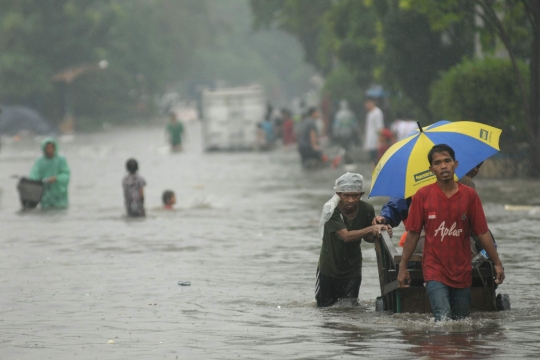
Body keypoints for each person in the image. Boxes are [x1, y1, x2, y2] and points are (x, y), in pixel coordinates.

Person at [397, 144, 505, 321]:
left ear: (456, 164)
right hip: (434, 269)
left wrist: (497, 263)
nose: (443, 166)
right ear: (431, 169)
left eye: (447, 161)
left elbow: (482, 232)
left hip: (462, 269)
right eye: (438, 163)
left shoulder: (470, 196)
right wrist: (403, 267)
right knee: (443, 318)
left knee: (462, 321)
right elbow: (413, 233)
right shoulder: (422, 196)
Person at [315, 172, 392, 307]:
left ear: (361, 194)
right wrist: (370, 229)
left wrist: (380, 230)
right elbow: (346, 236)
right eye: (346, 195)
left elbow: (368, 237)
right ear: (339, 195)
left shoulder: (366, 209)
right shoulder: (332, 211)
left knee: (349, 307)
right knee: (325, 310)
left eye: (355, 195)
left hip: (353, 268)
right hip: (329, 268)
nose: (351, 200)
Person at [28, 138, 70, 209]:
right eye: (47, 148)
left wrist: (57, 178)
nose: (49, 150)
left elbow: (66, 174)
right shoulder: (40, 161)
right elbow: (33, 174)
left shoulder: (61, 160)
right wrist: (37, 181)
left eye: (51, 147)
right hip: (45, 195)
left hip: (59, 196)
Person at [332, 100, 357, 164]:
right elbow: (354, 125)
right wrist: (355, 133)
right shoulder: (350, 114)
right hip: (349, 133)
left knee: (342, 146)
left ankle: (343, 158)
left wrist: (335, 134)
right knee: (348, 146)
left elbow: (336, 126)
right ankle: (348, 157)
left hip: (341, 134)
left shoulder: (338, 114)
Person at [363, 98, 384, 165]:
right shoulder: (369, 113)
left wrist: (379, 141)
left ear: (371, 103)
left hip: (375, 141)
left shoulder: (377, 112)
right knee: (372, 160)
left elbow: (380, 128)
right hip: (370, 141)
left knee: (376, 161)